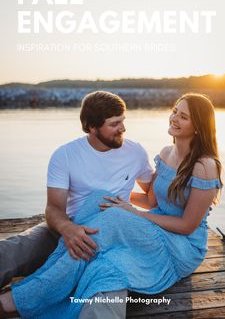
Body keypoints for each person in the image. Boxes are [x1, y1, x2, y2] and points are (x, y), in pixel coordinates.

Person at [0, 93, 223, 319]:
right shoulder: (166, 153)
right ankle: (43, 286)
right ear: (92, 127)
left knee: (113, 218)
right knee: (101, 203)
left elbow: (187, 226)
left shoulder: (204, 166)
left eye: (183, 117)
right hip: (146, 227)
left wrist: (132, 213)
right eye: (175, 111)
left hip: (181, 245)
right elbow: (150, 201)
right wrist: (117, 200)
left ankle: (26, 297)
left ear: (198, 126)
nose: (174, 118)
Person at [0, 91, 154, 319]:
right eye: (114, 124)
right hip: (67, 226)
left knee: (105, 286)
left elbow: (152, 196)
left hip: (113, 238)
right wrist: (68, 230)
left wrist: (126, 204)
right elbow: (53, 209)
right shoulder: (65, 155)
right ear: (91, 127)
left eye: (123, 121)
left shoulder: (135, 152)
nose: (123, 128)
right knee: (16, 248)